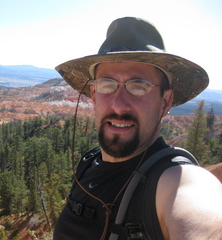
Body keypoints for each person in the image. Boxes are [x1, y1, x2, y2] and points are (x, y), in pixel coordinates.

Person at [53, 17, 222, 240]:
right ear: (94, 95)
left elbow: (205, 222)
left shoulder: (175, 180)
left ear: (165, 102)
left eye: (138, 86)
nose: (119, 104)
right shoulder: (88, 164)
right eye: (107, 84)